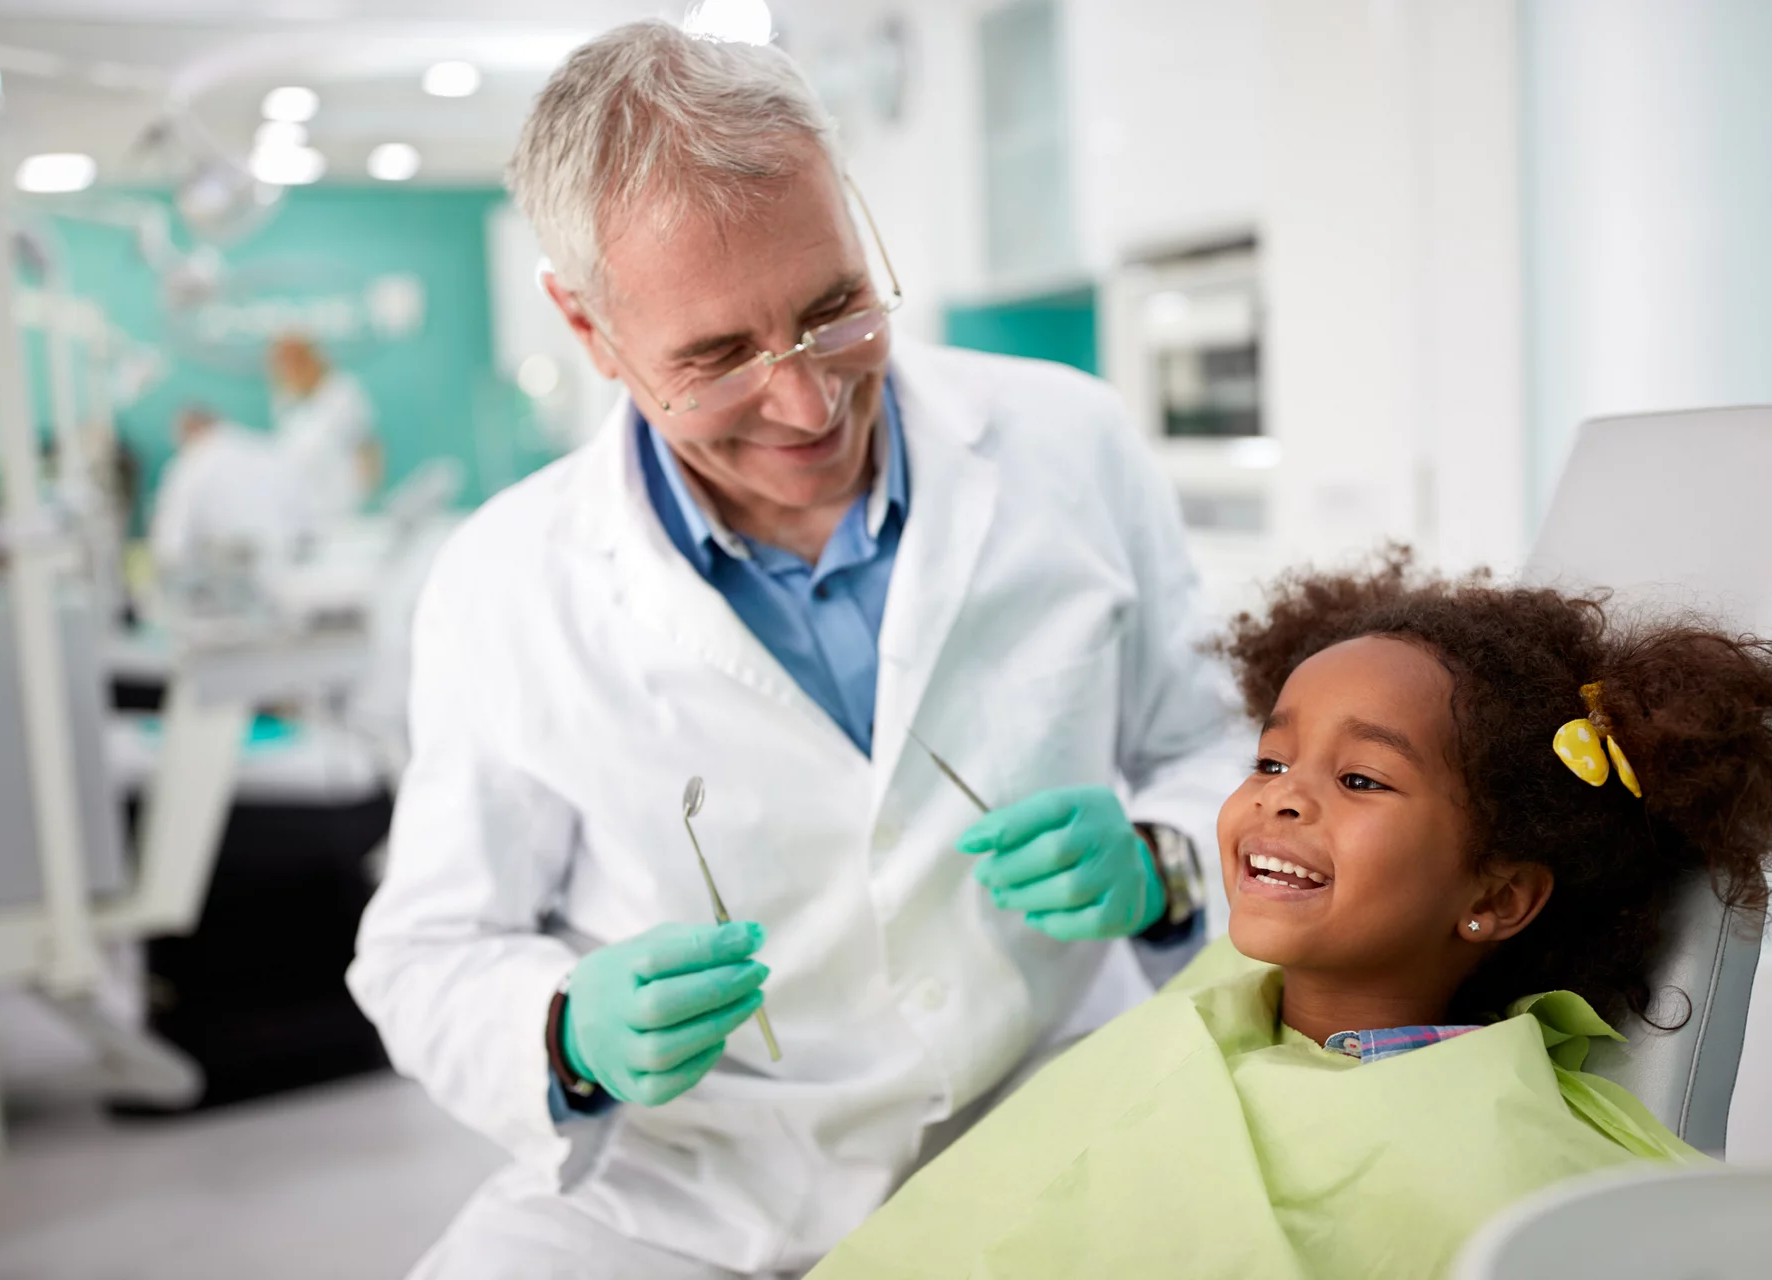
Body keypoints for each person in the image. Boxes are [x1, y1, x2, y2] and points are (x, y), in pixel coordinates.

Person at [346, 21, 1242, 1279]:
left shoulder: (1070, 444)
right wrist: (564, 1032)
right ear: (590, 330)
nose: (808, 403)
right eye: (715, 359)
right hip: (695, 1192)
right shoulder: (506, 583)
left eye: (833, 311)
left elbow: (1212, 744)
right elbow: (428, 952)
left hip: (1051, 1117)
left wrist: (1165, 858)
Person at [811, 553, 1772, 1278]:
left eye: (1360, 778)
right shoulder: (1222, 988)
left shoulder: (1493, 1146)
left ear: (1494, 897)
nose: (1282, 794)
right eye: (1269, 758)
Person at [148, 405, 311, 573]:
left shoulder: (191, 464)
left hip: (234, 576)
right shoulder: (267, 449)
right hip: (295, 565)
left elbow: (170, 544)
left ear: (190, 431)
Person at [267, 334, 379, 524]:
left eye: (296, 360)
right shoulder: (284, 400)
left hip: (343, 510)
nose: (290, 369)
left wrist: (364, 499)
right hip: (301, 513)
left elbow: (368, 448)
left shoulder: (342, 392)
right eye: (283, 363)